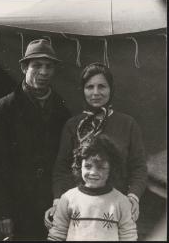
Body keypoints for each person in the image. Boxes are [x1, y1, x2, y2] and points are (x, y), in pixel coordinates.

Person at [44, 62, 147, 229]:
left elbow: (139, 167)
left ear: (111, 89)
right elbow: (61, 169)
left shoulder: (128, 124)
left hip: (117, 209)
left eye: (102, 86)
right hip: (79, 211)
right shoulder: (73, 125)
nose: (96, 93)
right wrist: (59, 202)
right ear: (83, 90)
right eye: (89, 87)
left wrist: (133, 197)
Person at [0, 39, 72, 240]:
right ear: (24, 67)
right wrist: (2, 213)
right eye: (37, 65)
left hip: (52, 205)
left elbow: (66, 162)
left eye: (49, 66)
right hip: (17, 207)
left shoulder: (62, 111)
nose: (44, 72)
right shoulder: (4, 109)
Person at [48, 134, 138, 241]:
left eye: (101, 167)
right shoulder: (68, 198)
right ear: (79, 166)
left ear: (111, 169)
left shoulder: (121, 201)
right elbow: (57, 235)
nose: (93, 172)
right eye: (88, 166)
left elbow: (128, 237)